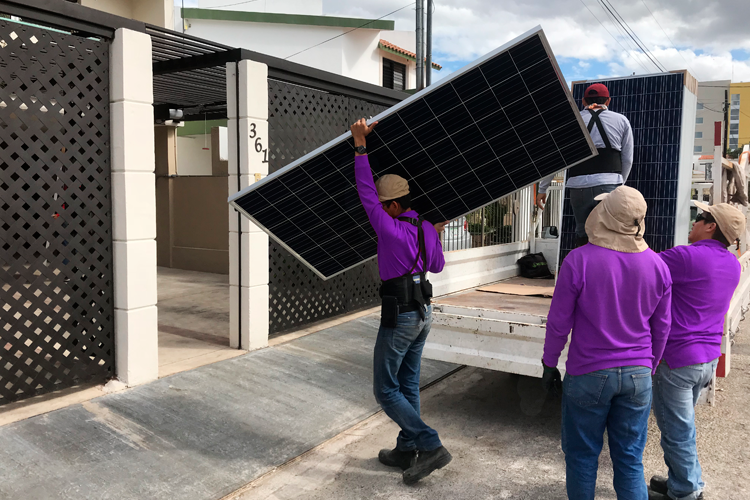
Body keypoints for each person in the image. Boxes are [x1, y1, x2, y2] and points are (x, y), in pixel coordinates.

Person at [541, 186, 672, 500]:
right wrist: (648, 366)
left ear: (603, 215)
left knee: (582, 457)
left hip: (588, 373)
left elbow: (560, 321)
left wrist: (549, 363)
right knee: (629, 460)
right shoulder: (658, 266)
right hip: (639, 375)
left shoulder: (579, 260)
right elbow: (662, 327)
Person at [350, 118, 452, 485]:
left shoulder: (389, 226)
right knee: (408, 385)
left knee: (385, 389)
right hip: (424, 314)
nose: (376, 209)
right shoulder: (425, 227)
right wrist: (434, 236)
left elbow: (364, 190)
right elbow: (436, 265)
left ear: (392, 206)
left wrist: (361, 146)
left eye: (382, 205)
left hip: (400, 316)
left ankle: (429, 443)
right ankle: (406, 448)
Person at [648, 202, 746, 500]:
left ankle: (687, 491)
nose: (693, 222)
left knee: (677, 431)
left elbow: (641, 267)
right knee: (682, 426)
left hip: (677, 359)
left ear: (710, 226)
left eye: (698, 218)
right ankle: (682, 481)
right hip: (706, 359)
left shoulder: (685, 257)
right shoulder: (733, 264)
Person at [537, 83, 634, 247]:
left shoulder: (570, 120)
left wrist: (542, 189)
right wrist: (619, 184)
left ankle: (583, 268)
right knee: (608, 233)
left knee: (583, 232)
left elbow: (555, 158)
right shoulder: (621, 120)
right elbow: (627, 158)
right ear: (608, 101)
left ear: (583, 101)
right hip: (609, 183)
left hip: (578, 186)